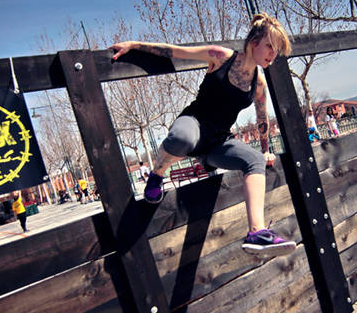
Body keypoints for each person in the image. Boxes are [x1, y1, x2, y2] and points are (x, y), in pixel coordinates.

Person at [110, 13, 296, 257]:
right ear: (254, 43)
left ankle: (257, 232)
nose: (273, 53)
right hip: (195, 123)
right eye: (270, 46)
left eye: (278, 49)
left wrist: (265, 149)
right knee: (182, 139)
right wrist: (134, 45)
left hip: (219, 141)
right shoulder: (221, 56)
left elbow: (262, 117)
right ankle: (157, 175)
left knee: (255, 161)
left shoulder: (258, 83)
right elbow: (174, 51)